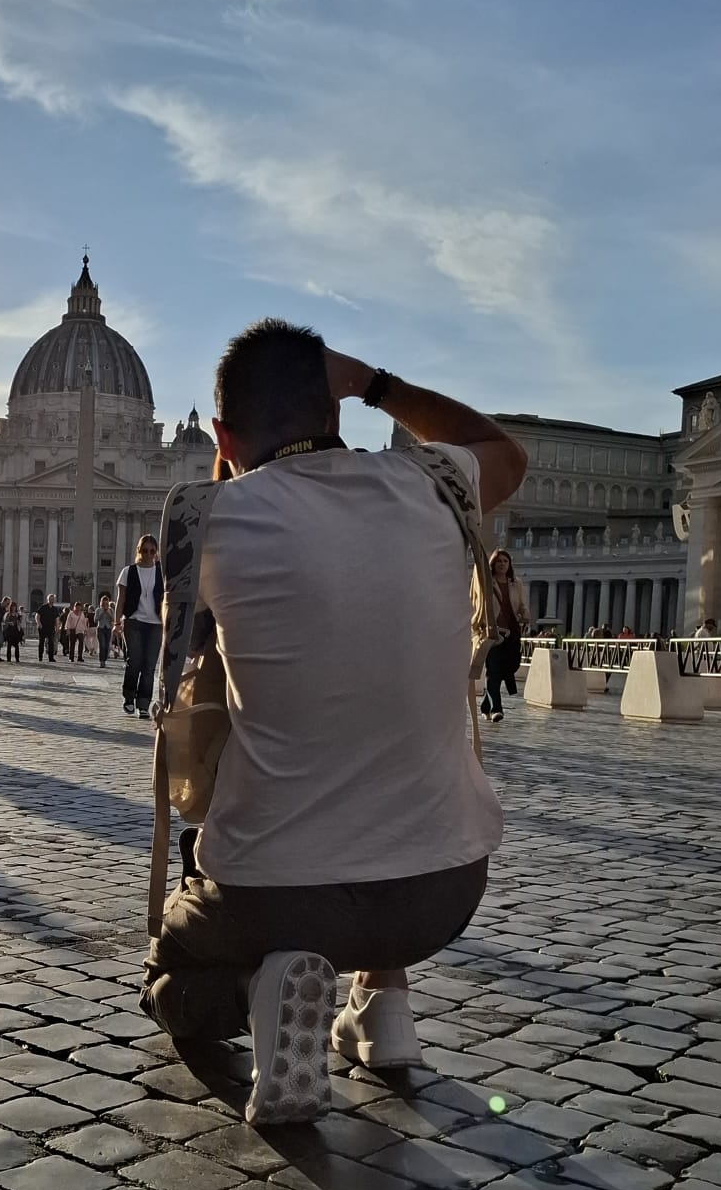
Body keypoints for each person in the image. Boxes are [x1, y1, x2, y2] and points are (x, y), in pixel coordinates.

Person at [140, 319, 524, 1125]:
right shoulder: (432, 486)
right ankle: (383, 1011)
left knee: (174, 977)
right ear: (337, 409)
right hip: (443, 891)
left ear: (222, 433)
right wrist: (376, 381)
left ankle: (262, 991)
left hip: (276, 897)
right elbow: (505, 450)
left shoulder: (210, 521)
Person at [479, 548, 530, 723]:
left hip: (512, 633)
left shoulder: (517, 583)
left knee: (508, 668)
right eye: (499, 561)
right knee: (493, 671)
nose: (502, 564)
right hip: (493, 632)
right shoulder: (486, 582)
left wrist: (526, 614)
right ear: (493, 564)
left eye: (505, 561)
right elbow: (479, 604)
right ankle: (496, 710)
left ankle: (486, 705)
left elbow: (522, 604)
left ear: (509, 564)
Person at [116, 534, 162, 720]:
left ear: (156, 552)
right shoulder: (128, 571)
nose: (149, 554)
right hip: (134, 621)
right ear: (139, 551)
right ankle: (129, 697)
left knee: (149, 666)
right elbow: (121, 600)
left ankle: (144, 704)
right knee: (134, 661)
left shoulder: (162, 572)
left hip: (156, 623)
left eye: (152, 551)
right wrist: (116, 622)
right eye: (145, 550)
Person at [35, 593, 59, 663]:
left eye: (53, 599)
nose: (52, 600)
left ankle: (51, 658)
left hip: (51, 628)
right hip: (42, 627)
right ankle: (40, 657)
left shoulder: (55, 609)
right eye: (50, 599)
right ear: (48, 599)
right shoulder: (43, 607)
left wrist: (57, 627)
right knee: (41, 642)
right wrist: (39, 623)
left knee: (51, 643)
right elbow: (37, 616)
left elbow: (57, 619)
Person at [95, 592, 114, 666]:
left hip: (108, 629)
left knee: (106, 646)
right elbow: (95, 620)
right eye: (104, 603)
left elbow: (113, 619)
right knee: (102, 645)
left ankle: (104, 659)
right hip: (100, 629)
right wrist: (103, 612)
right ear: (101, 602)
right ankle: (102, 661)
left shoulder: (111, 610)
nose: (105, 604)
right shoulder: (98, 610)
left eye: (107, 603)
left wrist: (108, 613)